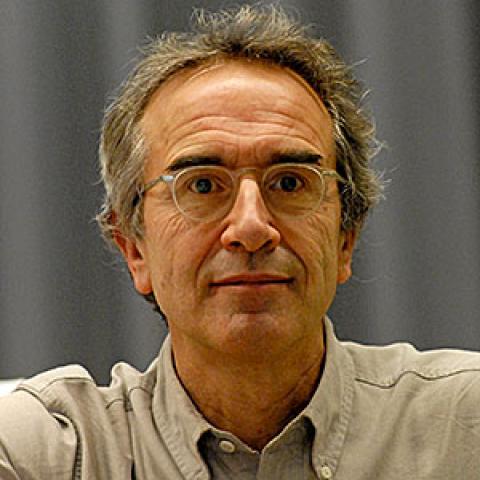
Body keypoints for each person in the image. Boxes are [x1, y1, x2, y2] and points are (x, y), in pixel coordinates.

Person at [1, 5, 480, 479]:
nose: (251, 228)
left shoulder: (463, 429)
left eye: (290, 183)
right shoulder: (49, 454)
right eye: (202, 185)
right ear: (134, 248)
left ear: (345, 239)